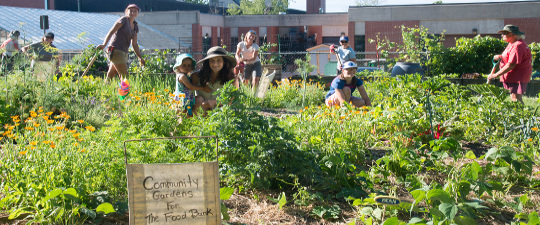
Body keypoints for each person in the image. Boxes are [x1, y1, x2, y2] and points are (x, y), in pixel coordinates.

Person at [97, 4, 145, 82]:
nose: (133, 13)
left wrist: (140, 57)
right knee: (125, 76)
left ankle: (105, 90)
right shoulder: (123, 20)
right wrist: (104, 44)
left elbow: (135, 44)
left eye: (135, 11)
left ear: (138, 13)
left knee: (111, 74)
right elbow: (111, 32)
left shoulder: (135, 26)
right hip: (115, 50)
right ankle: (125, 93)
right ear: (126, 12)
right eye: (130, 11)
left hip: (124, 52)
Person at [487, 24, 532, 104]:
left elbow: (511, 64)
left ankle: (520, 115)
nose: (502, 35)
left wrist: (495, 75)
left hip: (517, 76)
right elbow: (509, 56)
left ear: (511, 34)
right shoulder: (512, 43)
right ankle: (519, 114)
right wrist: (500, 56)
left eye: (504, 33)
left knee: (516, 99)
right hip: (514, 76)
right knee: (514, 97)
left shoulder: (517, 46)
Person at [192, 46, 239, 112]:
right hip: (200, 113)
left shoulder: (232, 80)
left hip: (221, 115)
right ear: (208, 62)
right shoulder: (196, 76)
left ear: (224, 62)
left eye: (218, 60)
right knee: (198, 99)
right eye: (212, 60)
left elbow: (232, 101)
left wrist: (215, 102)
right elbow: (186, 92)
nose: (215, 63)